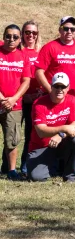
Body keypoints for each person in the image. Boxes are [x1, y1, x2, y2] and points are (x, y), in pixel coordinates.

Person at [27, 73, 75, 182]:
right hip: (41, 146)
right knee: (37, 177)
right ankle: (52, 168)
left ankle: (70, 176)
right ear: (51, 87)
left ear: (68, 88)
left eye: (63, 87)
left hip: (61, 144)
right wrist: (63, 129)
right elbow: (41, 131)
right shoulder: (39, 103)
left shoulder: (71, 100)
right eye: (56, 86)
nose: (60, 90)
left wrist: (60, 135)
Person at [0, 25, 32, 179]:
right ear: (4, 36)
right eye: (8, 36)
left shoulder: (23, 57)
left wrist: (13, 99)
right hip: (3, 100)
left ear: (20, 39)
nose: (11, 39)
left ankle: (12, 171)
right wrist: (2, 98)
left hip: (14, 106)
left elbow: (26, 81)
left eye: (15, 37)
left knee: (12, 139)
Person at [35, 16, 75, 96]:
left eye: (72, 29)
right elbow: (39, 72)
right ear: (60, 30)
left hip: (73, 97)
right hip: (53, 97)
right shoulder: (50, 47)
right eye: (66, 28)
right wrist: (50, 91)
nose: (69, 31)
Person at [20, 21, 40, 172]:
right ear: (22, 34)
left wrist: (36, 95)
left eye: (34, 33)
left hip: (34, 100)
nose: (31, 35)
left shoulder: (41, 52)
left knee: (30, 134)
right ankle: (7, 166)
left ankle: (25, 166)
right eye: (27, 32)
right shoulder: (17, 51)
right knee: (11, 136)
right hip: (17, 99)